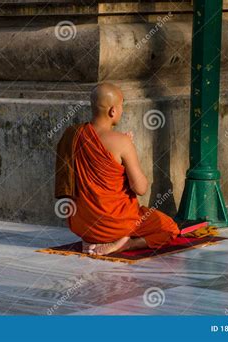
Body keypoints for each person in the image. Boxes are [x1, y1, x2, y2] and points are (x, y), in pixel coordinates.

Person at [55, 82, 180, 256]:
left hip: (82, 225)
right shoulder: (122, 142)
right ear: (113, 111)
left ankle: (94, 239)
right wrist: (128, 148)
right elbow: (141, 188)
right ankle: (125, 244)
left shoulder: (73, 135)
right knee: (169, 228)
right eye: (122, 106)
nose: (122, 111)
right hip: (115, 224)